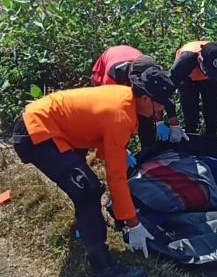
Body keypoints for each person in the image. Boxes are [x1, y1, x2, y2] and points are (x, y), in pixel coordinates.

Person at [10, 67, 175, 277]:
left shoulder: (126, 98)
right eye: (159, 102)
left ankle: (87, 228)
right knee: (89, 191)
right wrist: (133, 223)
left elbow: (101, 135)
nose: (160, 108)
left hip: (54, 127)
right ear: (144, 98)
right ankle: (103, 267)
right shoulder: (121, 116)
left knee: (83, 187)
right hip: (39, 133)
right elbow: (115, 177)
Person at [91, 45, 188, 147]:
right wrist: (118, 146)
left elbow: (160, 96)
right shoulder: (113, 79)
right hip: (109, 64)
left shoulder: (153, 73)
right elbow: (110, 116)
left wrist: (165, 123)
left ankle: (147, 148)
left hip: (132, 58)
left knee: (146, 119)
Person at [170, 41, 217, 155]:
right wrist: (173, 123)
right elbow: (166, 91)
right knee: (191, 116)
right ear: (200, 60)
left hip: (211, 82)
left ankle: (210, 148)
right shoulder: (185, 61)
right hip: (188, 79)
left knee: (212, 116)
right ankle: (190, 147)